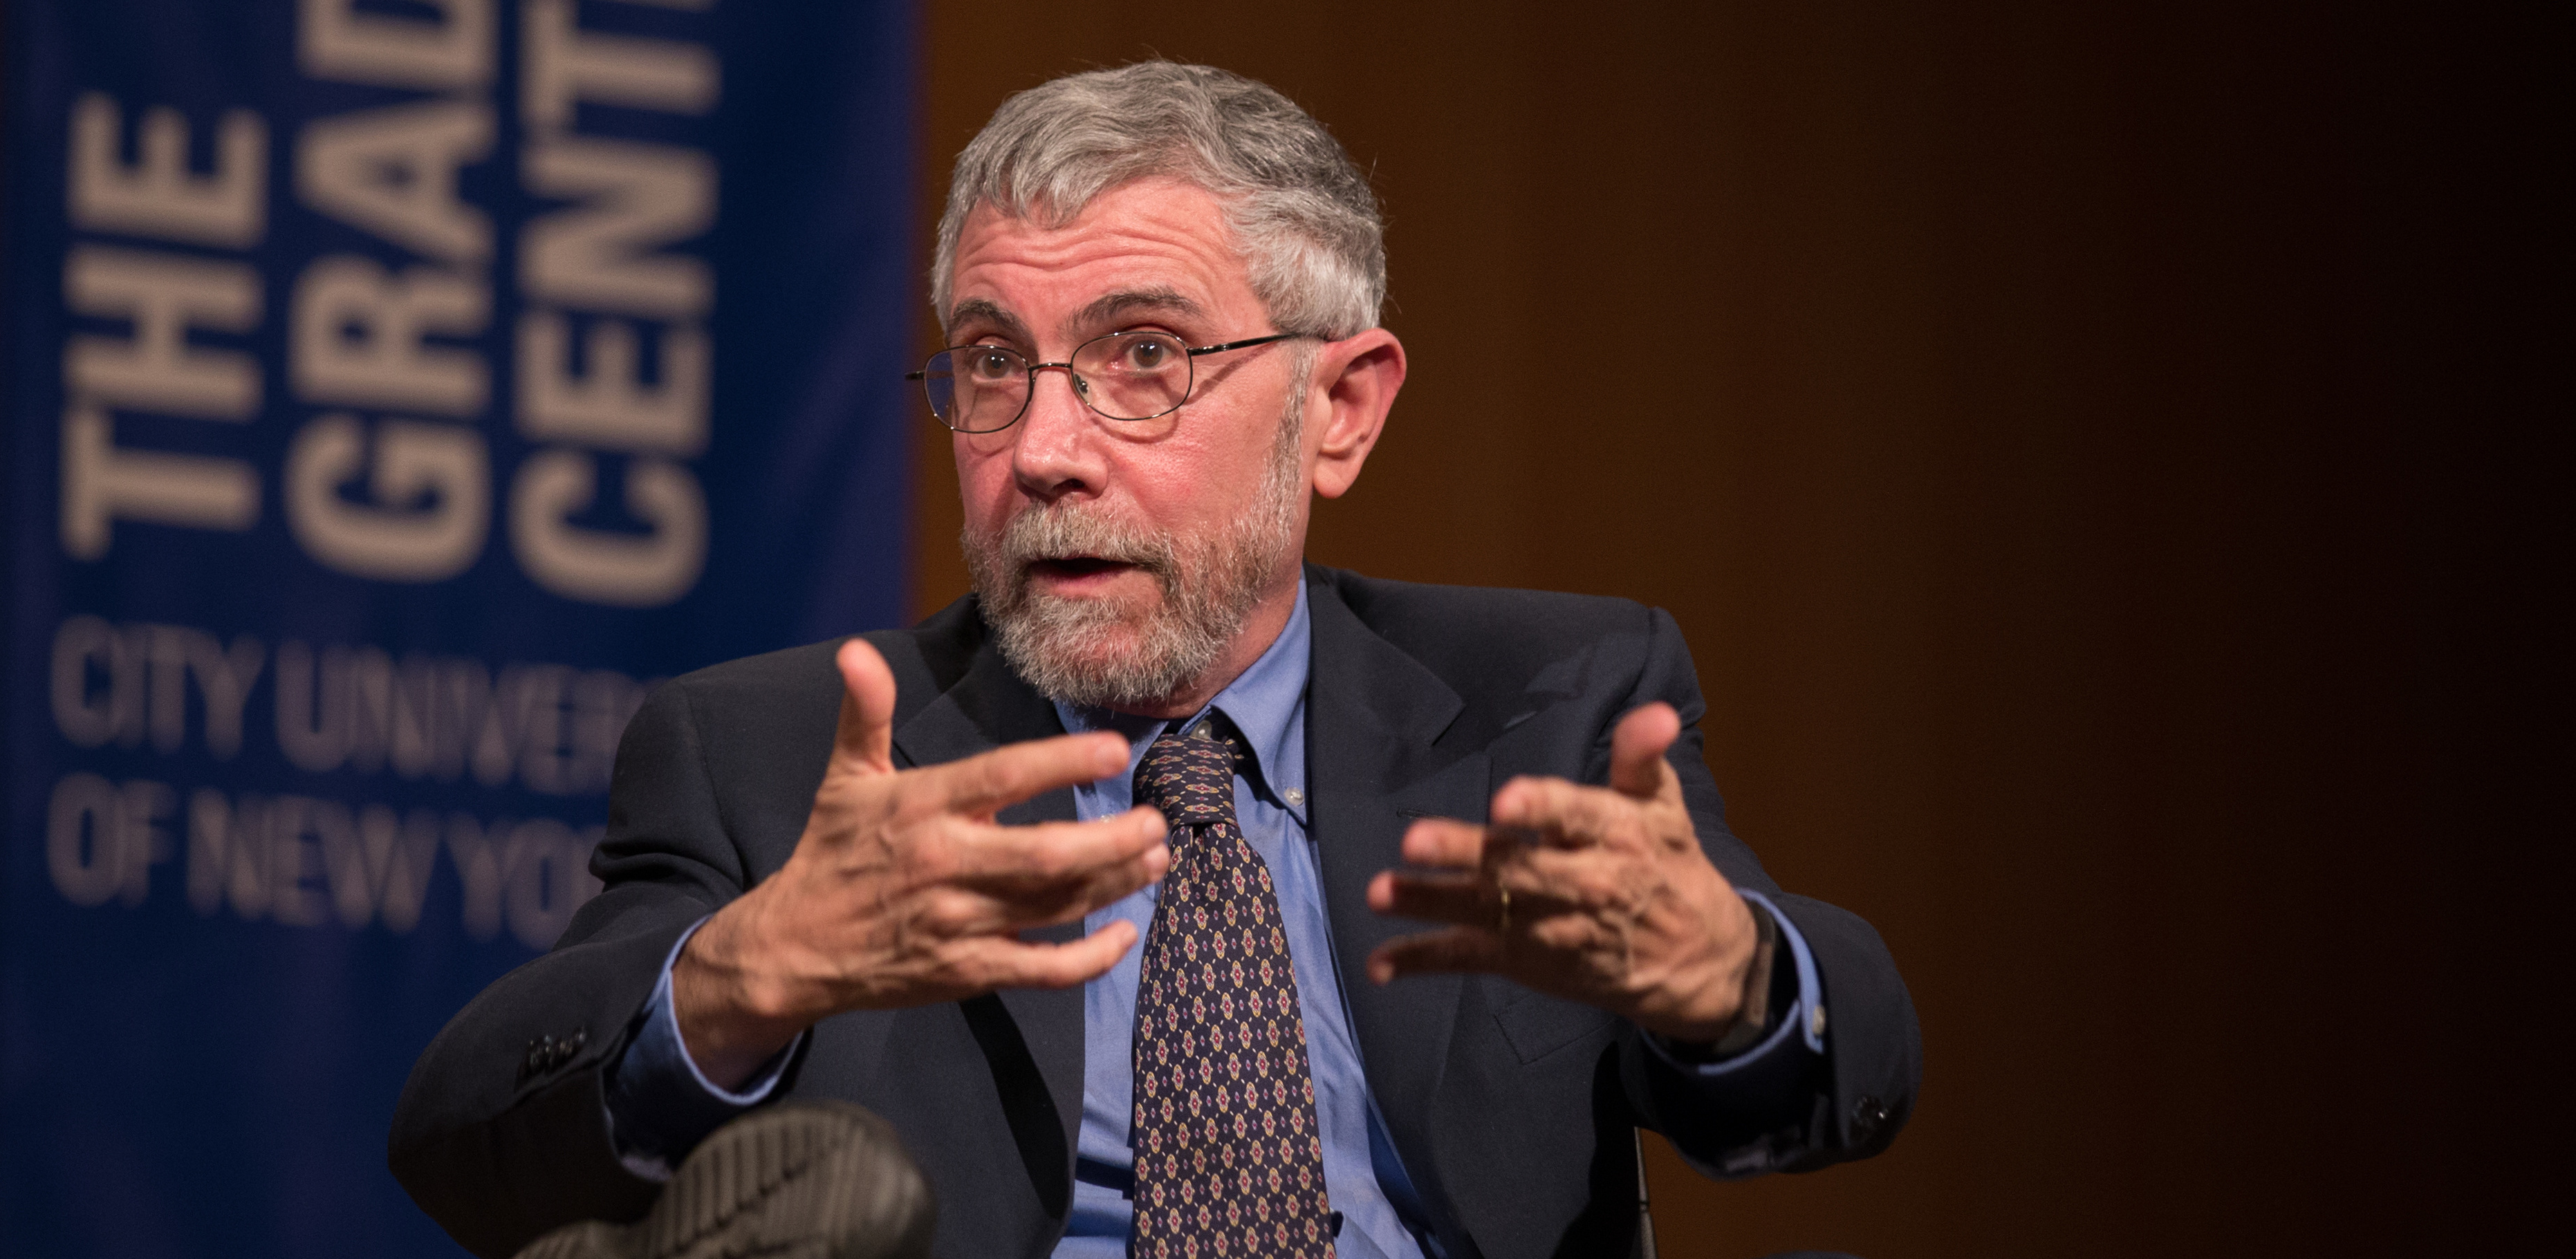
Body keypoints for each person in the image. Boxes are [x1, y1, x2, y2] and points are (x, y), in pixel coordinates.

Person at [391, 61, 1919, 1259]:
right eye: (995, 362)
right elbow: (468, 1149)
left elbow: (1837, 1083)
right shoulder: (779, 755)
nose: (1042, 450)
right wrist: (737, 978)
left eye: (1143, 357)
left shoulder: (1547, 698)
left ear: (1339, 410)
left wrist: (1733, 979)